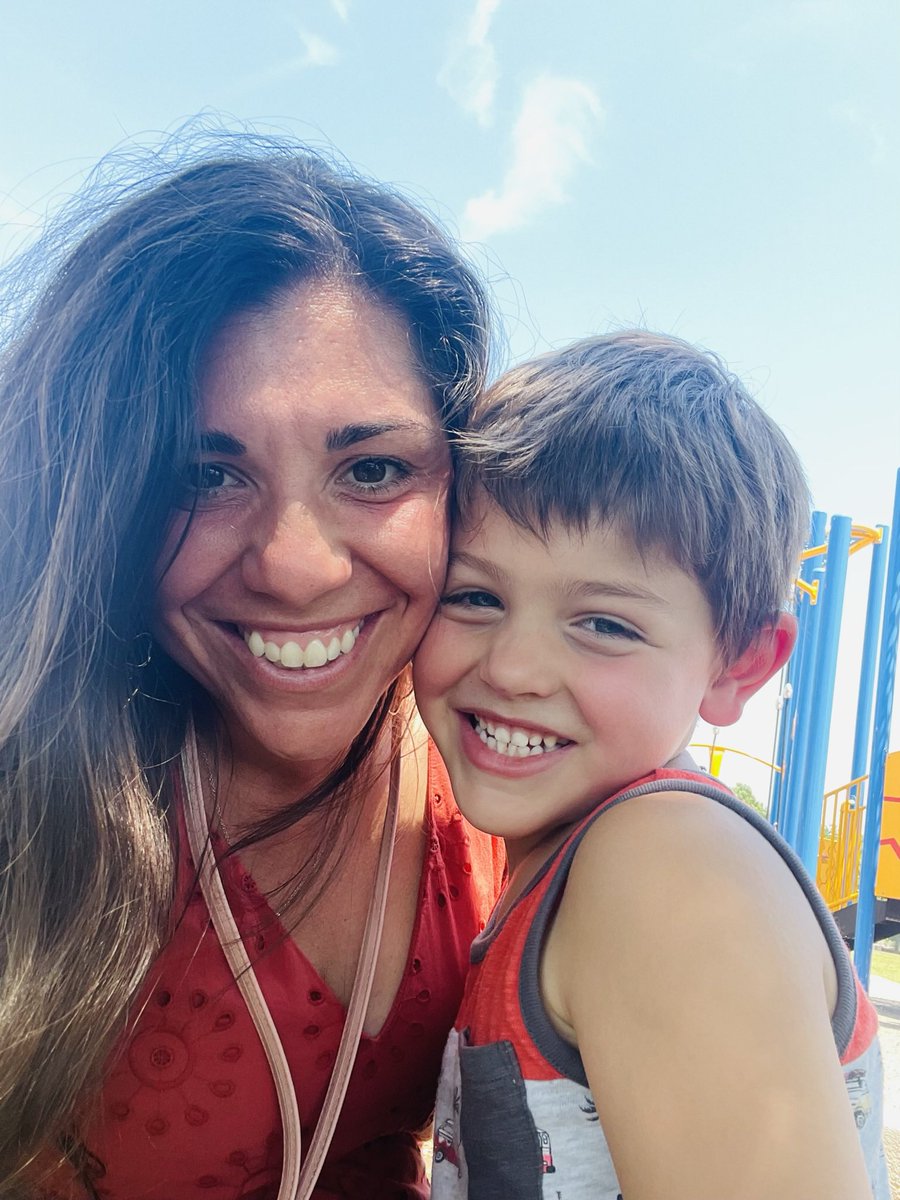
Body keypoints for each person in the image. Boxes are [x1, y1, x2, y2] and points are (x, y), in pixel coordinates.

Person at [0, 134, 507, 1200]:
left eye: (372, 469)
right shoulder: (32, 806)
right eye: (205, 472)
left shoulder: (505, 786)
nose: (294, 567)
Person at [413, 332, 890, 1199]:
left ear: (739, 662)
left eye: (604, 624)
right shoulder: (570, 863)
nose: (514, 667)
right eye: (475, 596)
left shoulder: (663, 866)